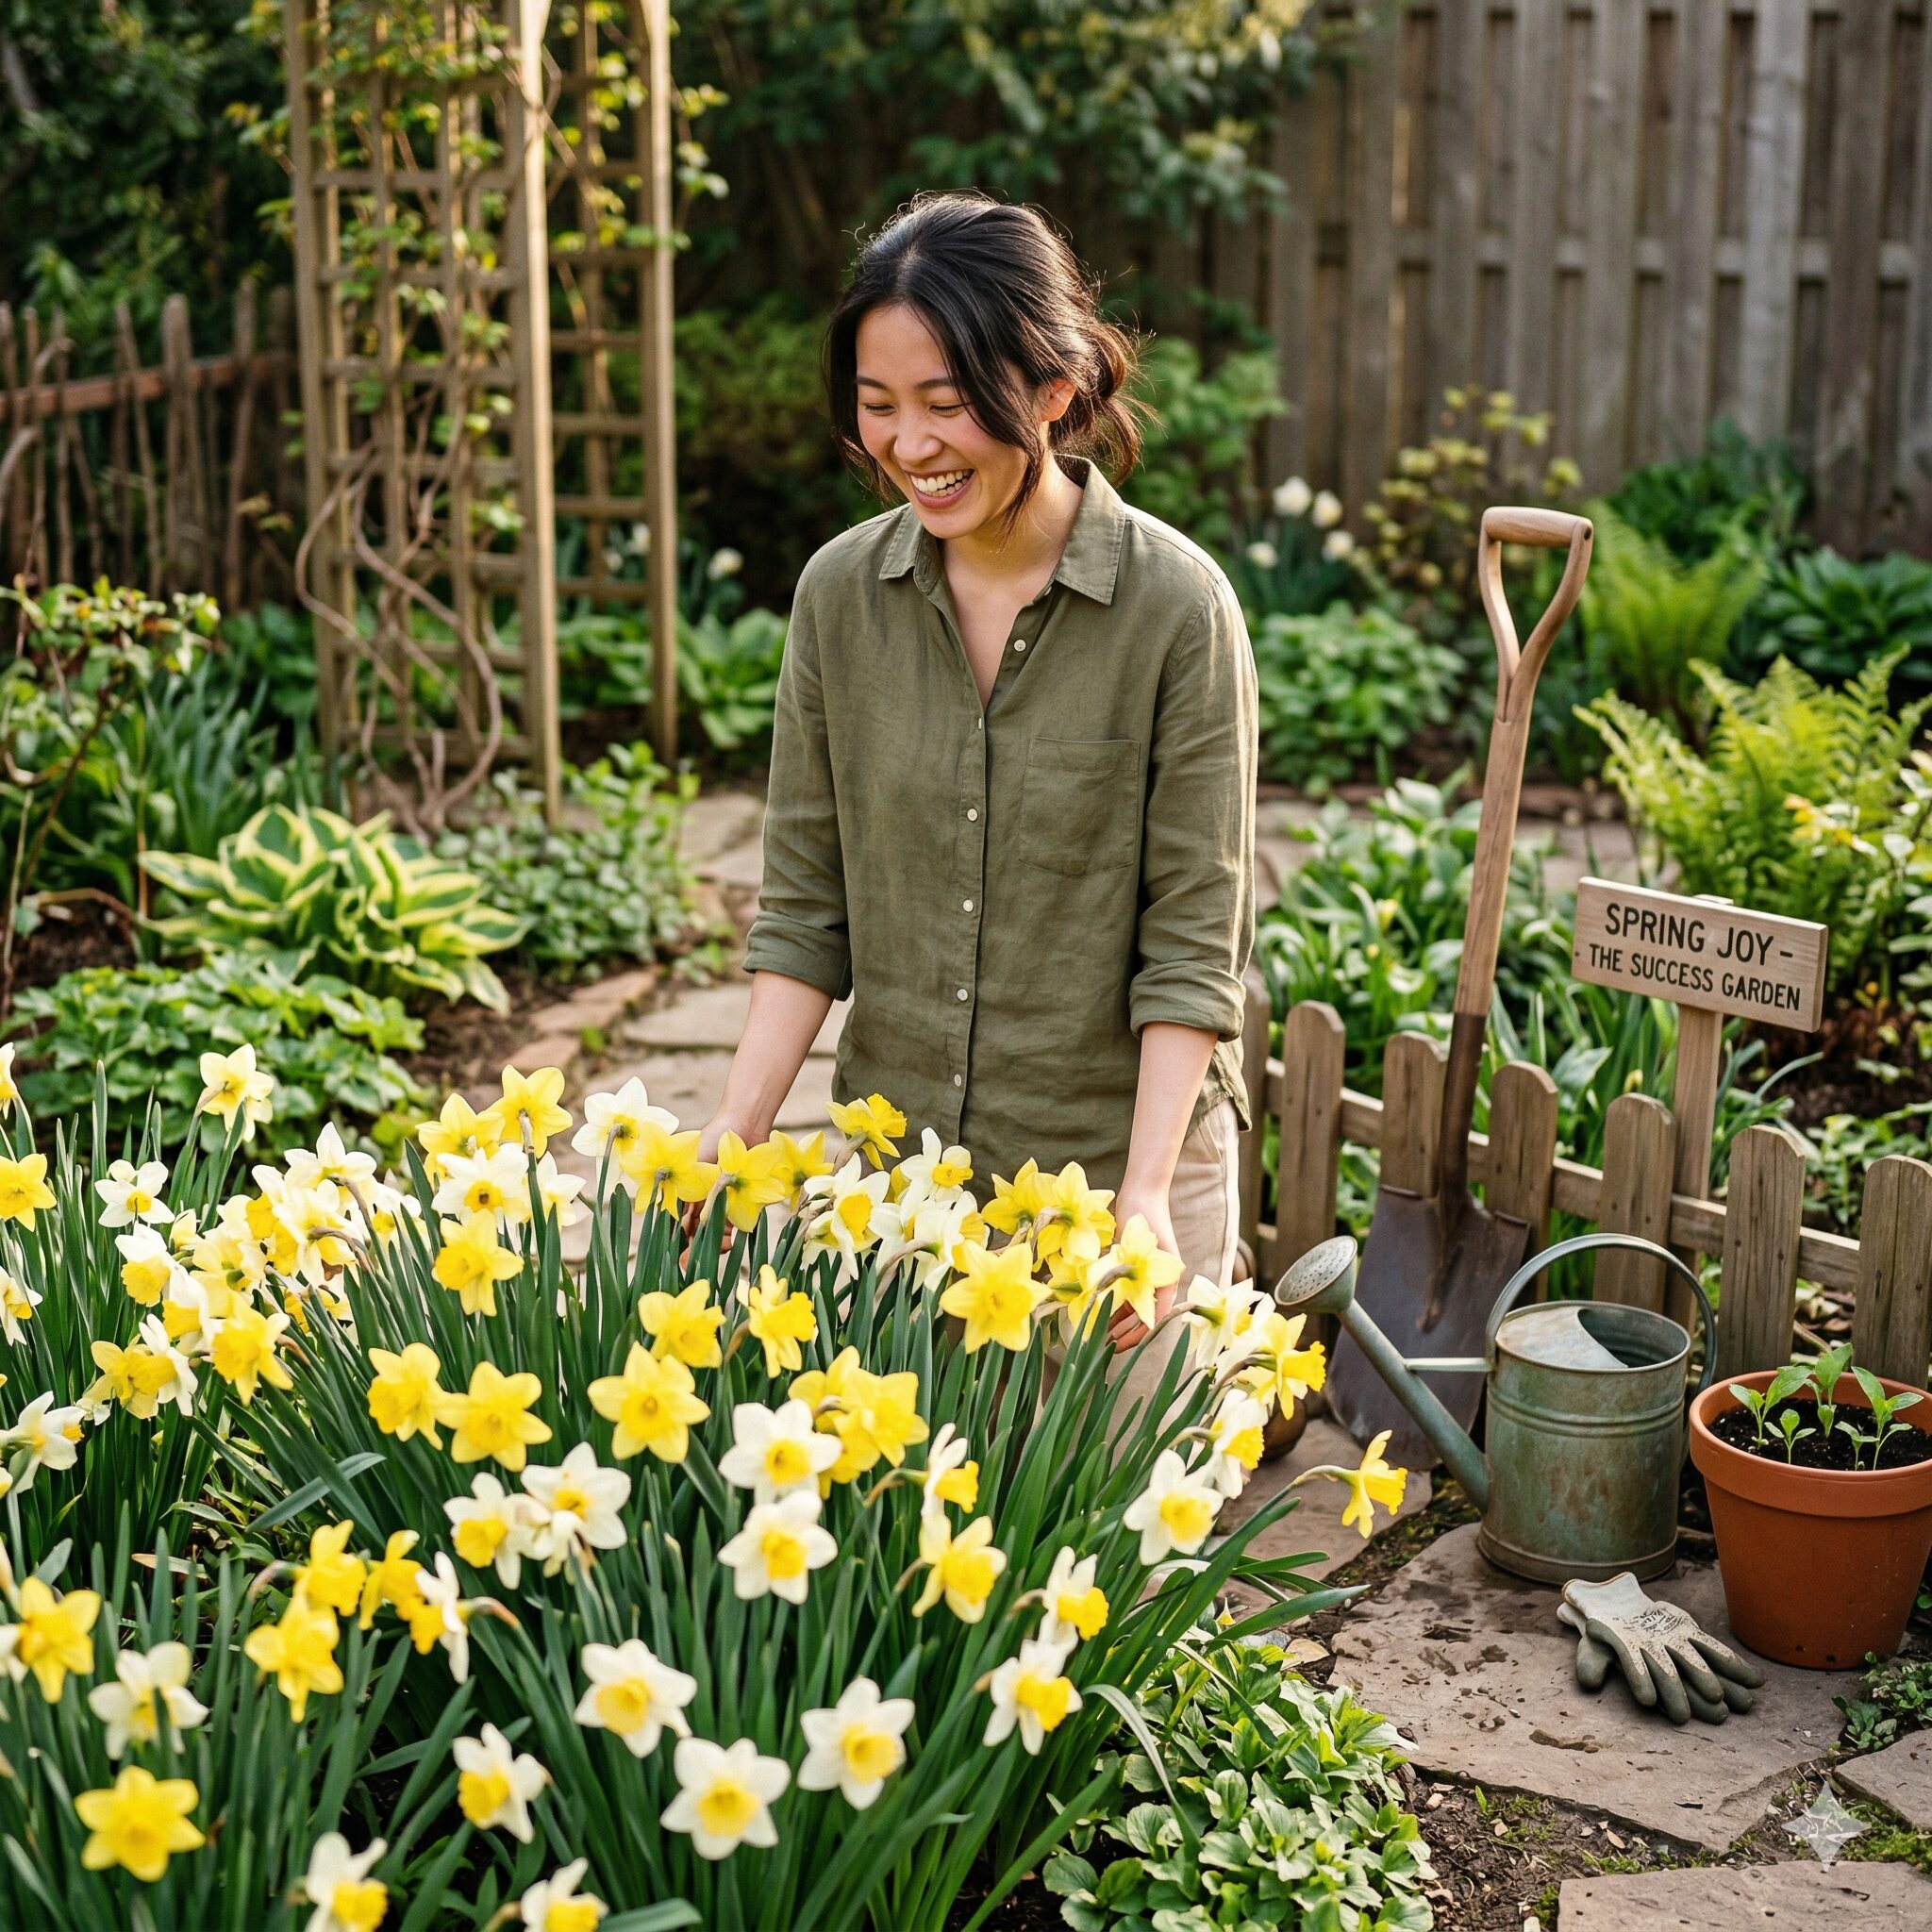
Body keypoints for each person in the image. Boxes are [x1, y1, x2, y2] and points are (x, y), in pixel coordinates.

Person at [696, 188, 1257, 1380]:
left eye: (947, 404)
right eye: (878, 404)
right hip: (903, 1193)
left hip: (1115, 1187)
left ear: (1053, 391)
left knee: (1122, 1546)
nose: (908, 445)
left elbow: (1195, 945)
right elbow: (804, 909)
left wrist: (1145, 1199)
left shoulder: (1176, 609)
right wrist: (735, 1137)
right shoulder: (837, 599)